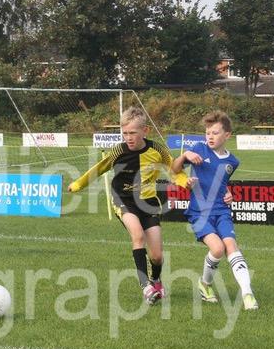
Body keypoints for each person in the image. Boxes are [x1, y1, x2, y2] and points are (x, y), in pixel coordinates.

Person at [68, 107, 189, 305]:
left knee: (157, 256)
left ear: (145, 130)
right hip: (123, 200)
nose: (128, 137)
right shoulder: (119, 150)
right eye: (125, 133)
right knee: (138, 236)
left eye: (133, 132)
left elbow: (174, 169)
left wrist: (185, 182)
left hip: (149, 203)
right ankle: (146, 287)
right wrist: (78, 184)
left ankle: (155, 279)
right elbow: (99, 168)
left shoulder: (158, 150)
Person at [171, 110, 258, 310]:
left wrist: (228, 193)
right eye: (208, 132)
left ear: (227, 135)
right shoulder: (198, 149)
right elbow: (174, 170)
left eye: (215, 133)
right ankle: (205, 284)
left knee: (231, 246)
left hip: (221, 210)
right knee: (217, 249)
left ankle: (248, 294)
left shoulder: (233, 162)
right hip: (199, 213)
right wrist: (184, 155)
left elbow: (221, 182)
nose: (210, 136)